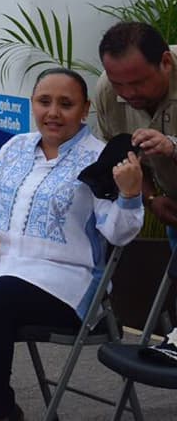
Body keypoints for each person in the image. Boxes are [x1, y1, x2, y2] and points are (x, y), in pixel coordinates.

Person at [0, 67, 143, 421]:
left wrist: (130, 195)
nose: (53, 112)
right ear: (32, 104)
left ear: (84, 109)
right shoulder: (16, 147)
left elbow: (119, 234)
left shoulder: (99, 158)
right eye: (44, 102)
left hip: (64, 280)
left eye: (65, 104)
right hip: (3, 266)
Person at [89, 21, 177, 360]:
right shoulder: (108, 91)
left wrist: (172, 147)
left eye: (138, 82)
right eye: (119, 83)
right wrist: (151, 197)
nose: (128, 93)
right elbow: (122, 154)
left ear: (165, 63)